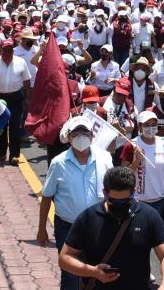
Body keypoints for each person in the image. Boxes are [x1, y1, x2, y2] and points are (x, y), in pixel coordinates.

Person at [60, 166, 164, 289]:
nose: (119, 205)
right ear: (104, 193)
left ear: (134, 192)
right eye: (113, 201)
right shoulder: (88, 218)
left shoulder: (148, 216)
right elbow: (64, 258)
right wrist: (93, 271)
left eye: (125, 201)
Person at [39, 116, 113, 290]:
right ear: (69, 137)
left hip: (99, 226)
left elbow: (114, 189)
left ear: (91, 135)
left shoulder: (104, 158)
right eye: (76, 133)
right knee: (70, 275)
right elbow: (47, 196)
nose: (81, 136)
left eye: (85, 132)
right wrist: (42, 228)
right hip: (68, 228)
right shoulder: (58, 163)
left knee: (97, 273)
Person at [120, 110, 164, 227]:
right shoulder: (131, 145)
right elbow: (122, 174)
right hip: (138, 200)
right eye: (147, 125)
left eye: (153, 124)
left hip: (160, 198)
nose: (151, 128)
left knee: (155, 230)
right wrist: (137, 161)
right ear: (140, 126)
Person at [0, 38, 31, 165]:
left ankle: (14, 155)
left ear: (13, 51)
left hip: (16, 98)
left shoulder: (21, 62)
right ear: (1, 50)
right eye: (5, 49)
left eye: (10, 50)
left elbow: (26, 81)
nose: (7, 52)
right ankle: (2, 152)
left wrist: (27, 98)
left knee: (15, 126)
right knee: (0, 127)